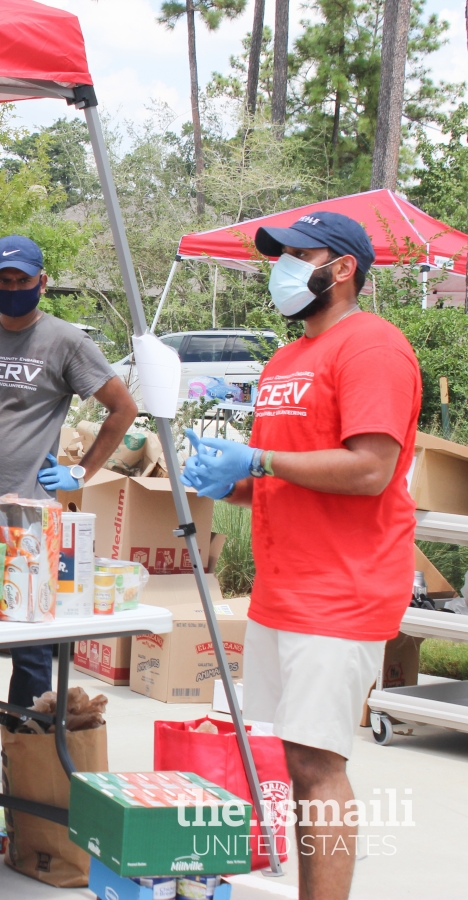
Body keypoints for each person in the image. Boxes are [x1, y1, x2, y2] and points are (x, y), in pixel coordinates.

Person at [181, 212, 420, 900]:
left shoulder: (373, 347)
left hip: (342, 591)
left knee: (320, 767)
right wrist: (239, 481)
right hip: (284, 591)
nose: (281, 267)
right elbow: (292, 471)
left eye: (296, 254)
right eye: (277, 256)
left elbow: (371, 468)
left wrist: (258, 457)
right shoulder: (287, 359)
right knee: (296, 760)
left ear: (342, 268)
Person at [0, 235, 137, 756]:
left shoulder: (66, 343)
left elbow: (122, 408)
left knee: (31, 648)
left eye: (23, 280)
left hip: (30, 520)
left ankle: (26, 746)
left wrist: (82, 472)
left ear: (42, 281)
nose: (13, 289)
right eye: (4, 280)